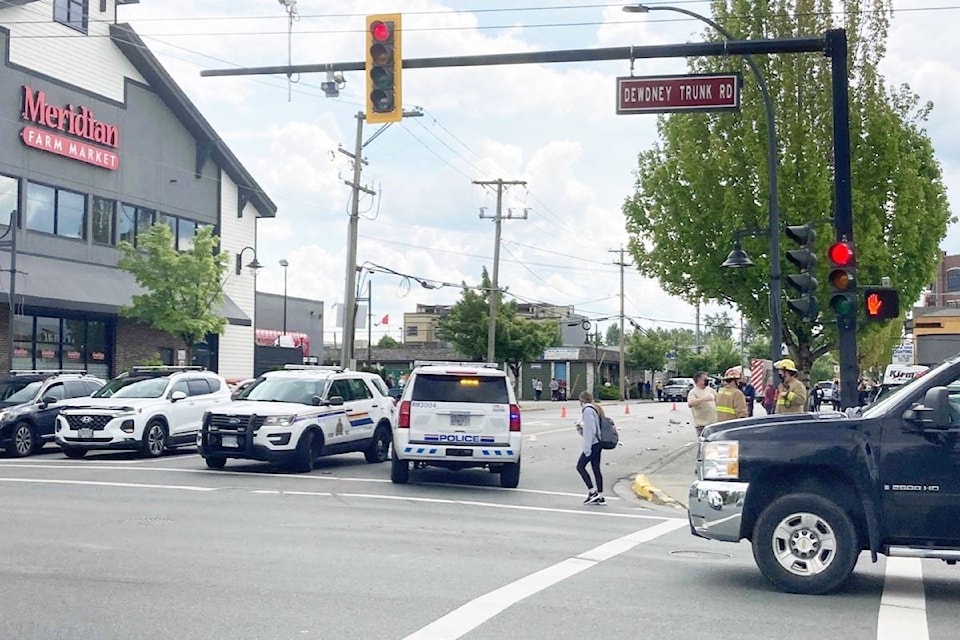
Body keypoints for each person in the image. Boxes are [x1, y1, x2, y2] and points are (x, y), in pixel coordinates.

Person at [575, 390, 606, 505]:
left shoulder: (587, 410)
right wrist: (580, 429)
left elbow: (590, 431)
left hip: (592, 444)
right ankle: (600, 495)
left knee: (580, 466)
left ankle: (592, 491)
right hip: (598, 443)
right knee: (596, 468)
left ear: (581, 400)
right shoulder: (595, 409)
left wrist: (587, 449)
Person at [687, 371, 717, 437]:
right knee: (704, 443)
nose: (707, 381)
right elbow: (690, 403)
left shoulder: (710, 390)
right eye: (705, 379)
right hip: (702, 425)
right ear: (699, 380)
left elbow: (717, 398)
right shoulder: (693, 392)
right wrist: (704, 399)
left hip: (713, 423)